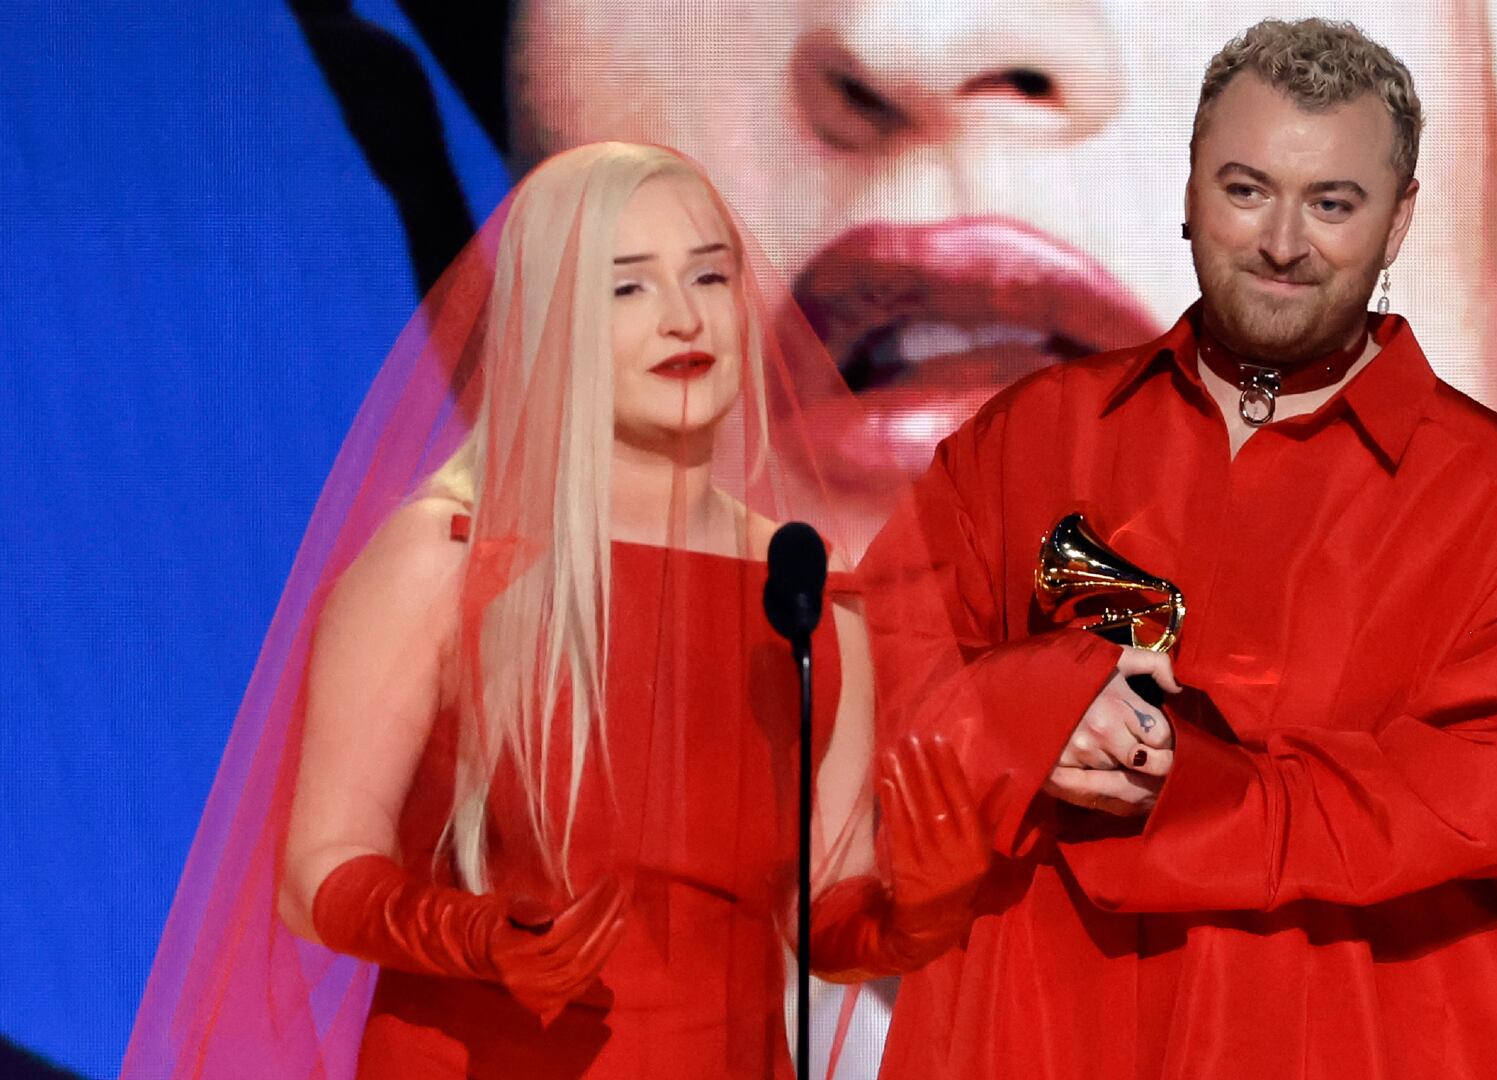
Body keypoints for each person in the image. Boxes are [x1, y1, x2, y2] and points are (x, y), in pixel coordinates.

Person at [861, 19, 1497, 1078]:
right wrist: (1027, 706)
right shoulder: (1027, 440)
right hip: (1055, 1032)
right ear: (1188, 190)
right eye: (1245, 189)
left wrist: (1224, 798)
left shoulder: (1492, 497)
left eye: (1332, 203)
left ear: (1399, 221)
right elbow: (865, 687)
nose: (1283, 241)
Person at [122, 141, 988, 1079]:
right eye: (626, 288)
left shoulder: (809, 595)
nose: (683, 318)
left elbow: (818, 907)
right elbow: (316, 870)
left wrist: (917, 912)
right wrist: (476, 934)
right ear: (550, 319)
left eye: (709, 275)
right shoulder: (446, 561)